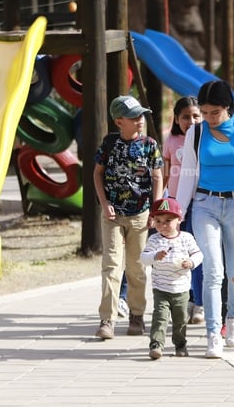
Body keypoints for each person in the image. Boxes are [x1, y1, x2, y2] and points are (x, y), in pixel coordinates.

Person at [176, 80, 234, 358]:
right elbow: (188, 175)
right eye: (204, 112)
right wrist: (178, 214)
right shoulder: (195, 133)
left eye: (214, 112)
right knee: (213, 272)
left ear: (228, 108)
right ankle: (212, 334)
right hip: (205, 205)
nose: (208, 118)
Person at [93, 95, 164, 339]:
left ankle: (137, 315)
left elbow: (157, 177)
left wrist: (155, 209)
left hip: (140, 215)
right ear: (119, 121)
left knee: (137, 267)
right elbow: (97, 174)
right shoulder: (109, 143)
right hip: (113, 214)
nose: (140, 120)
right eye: (134, 117)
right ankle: (107, 319)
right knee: (111, 265)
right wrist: (104, 204)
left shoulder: (149, 145)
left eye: (141, 115)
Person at [140, 197, 203, 359]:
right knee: (160, 316)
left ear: (179, 220)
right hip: (161, 287)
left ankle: (180, 344)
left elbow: (198, 254)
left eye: (168, 220)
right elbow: (144, 258)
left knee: (180, 318)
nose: (163, 225)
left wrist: (191, 262)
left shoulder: (186, 238)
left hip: (181, 288)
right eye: (158, 221)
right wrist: (155, 256)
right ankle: (156, 344)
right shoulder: (154, 240)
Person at [162, 95, 204, 324]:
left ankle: (199, 303)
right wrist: (163, 201)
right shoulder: (171, 141)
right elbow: (165, 173)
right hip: (176, 207)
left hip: (200, 203)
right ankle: (183, 299)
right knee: (178, 253)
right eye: (185, 117)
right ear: (176, 119)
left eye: (196, 116)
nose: (191, 121)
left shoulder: (206, 138)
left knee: (196, 252)